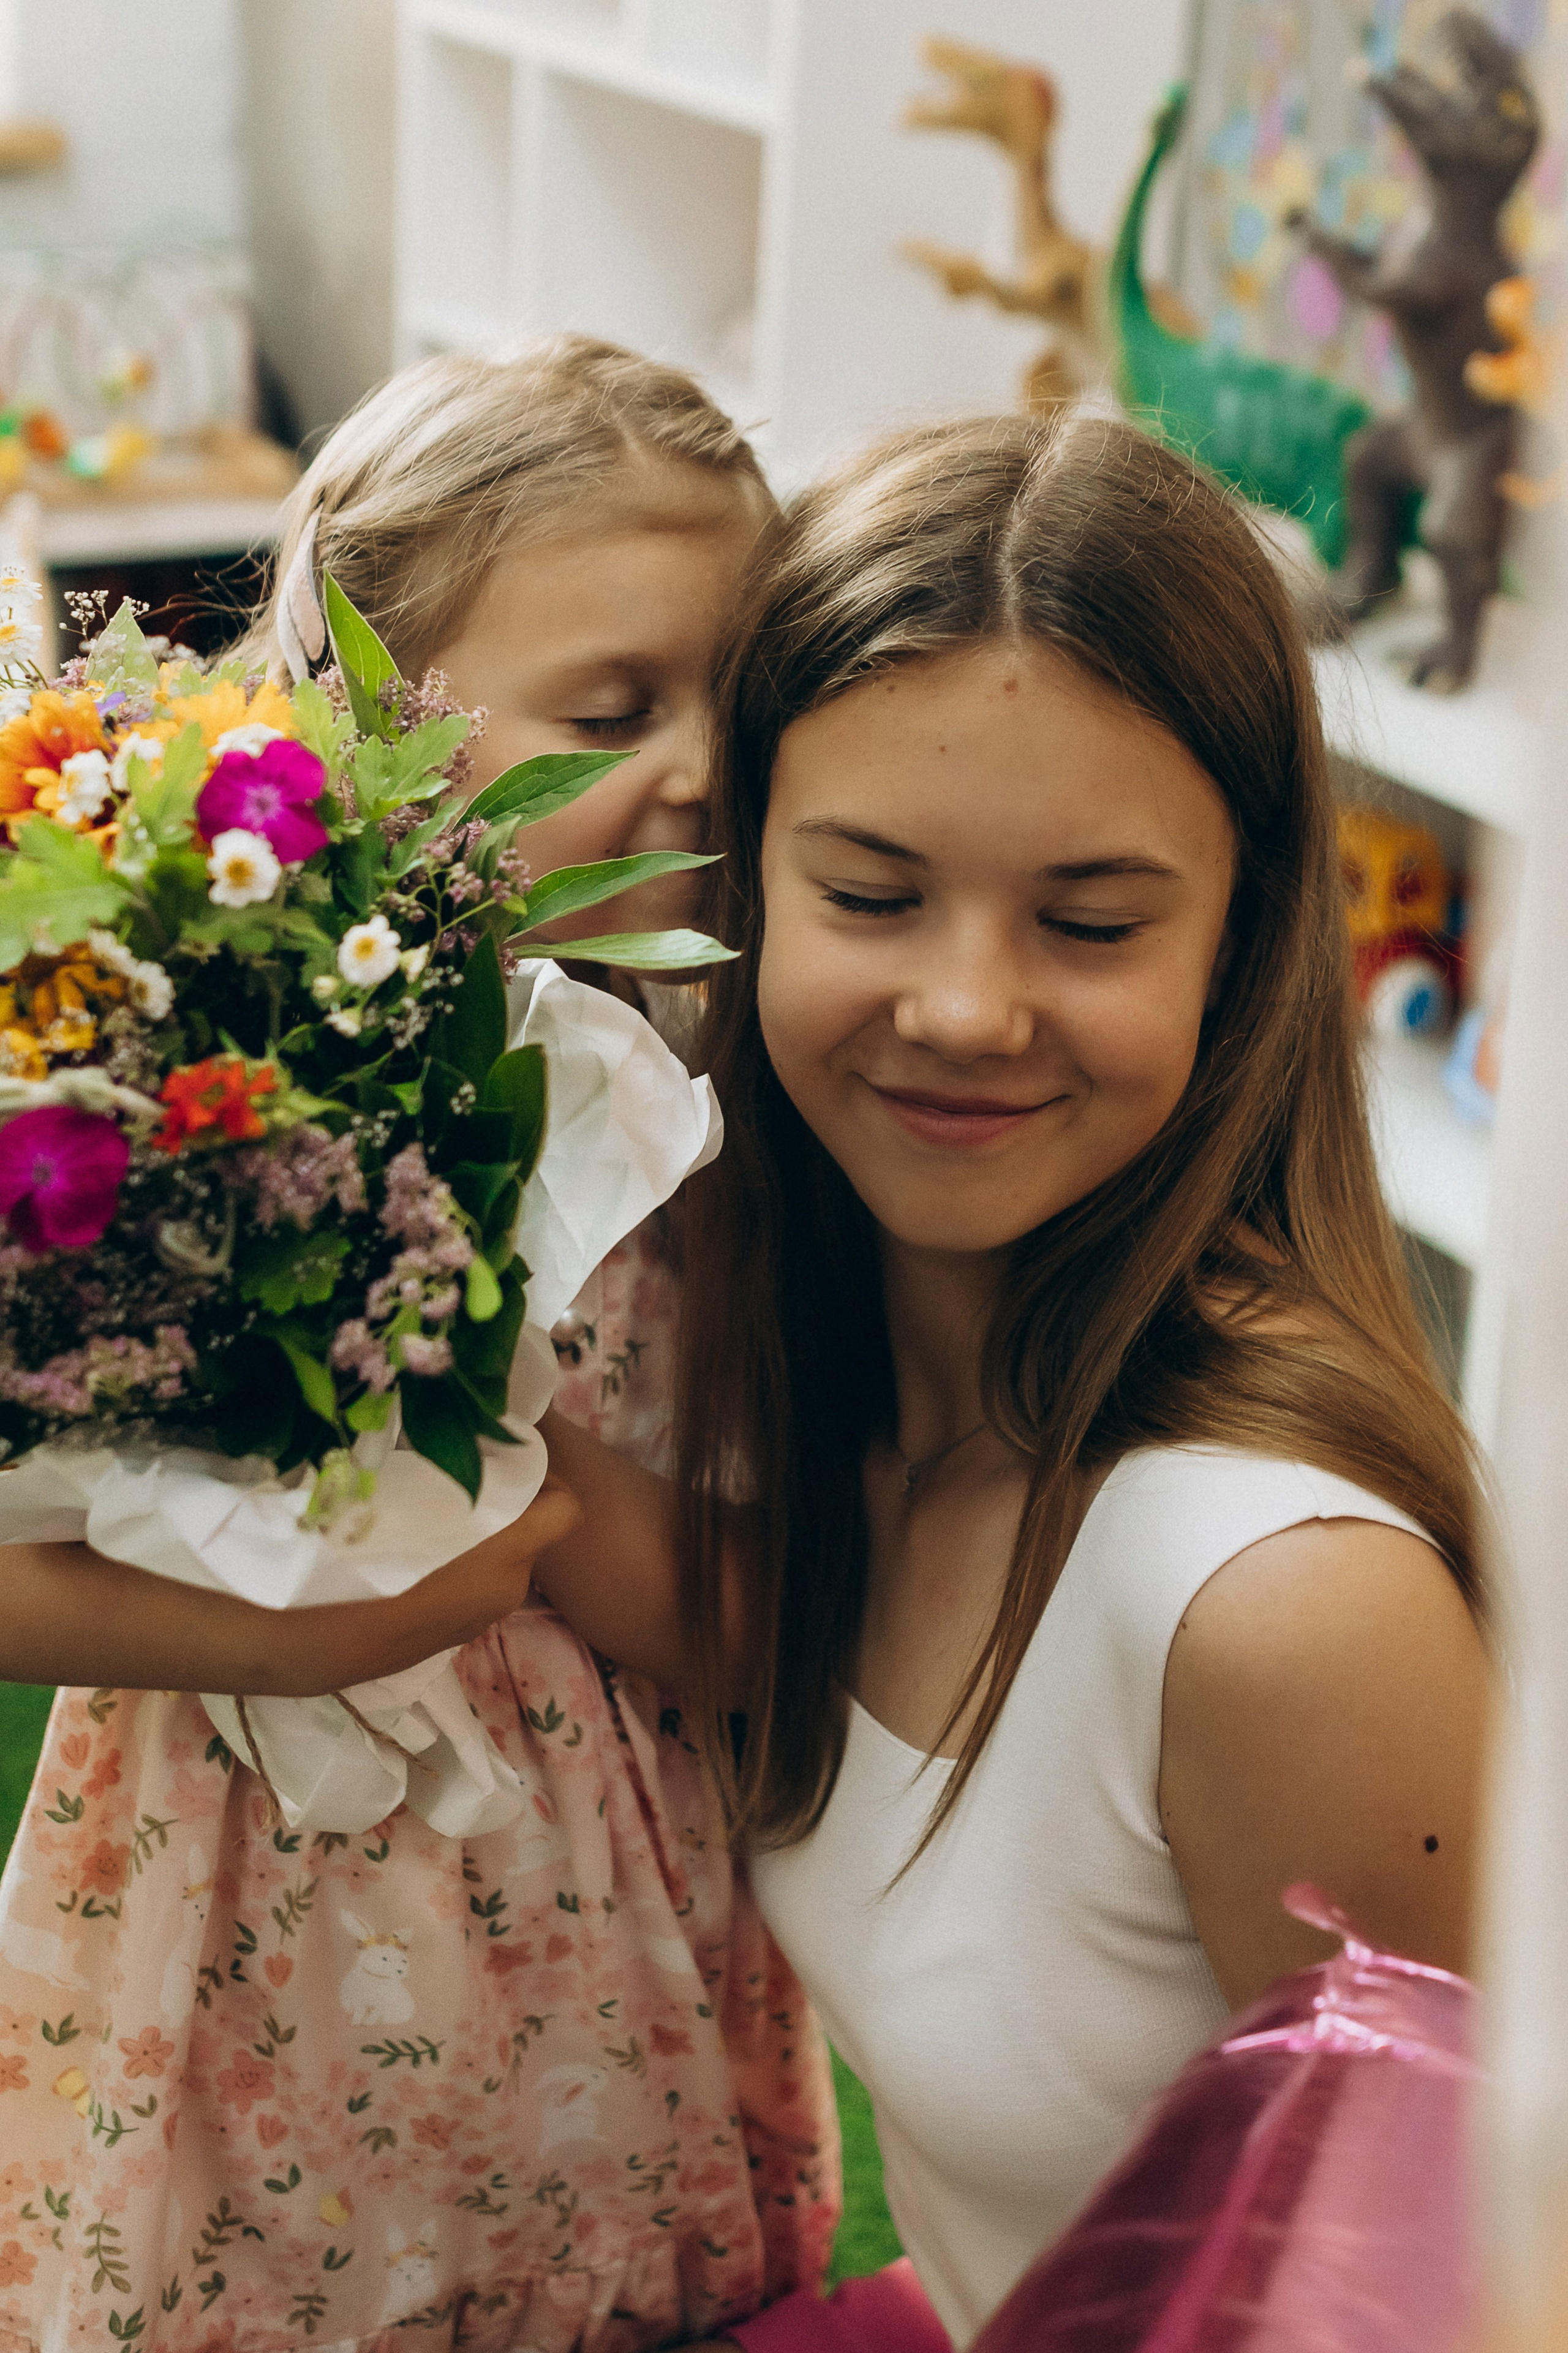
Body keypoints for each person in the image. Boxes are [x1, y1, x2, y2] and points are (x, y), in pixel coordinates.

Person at [533, 412, 1493, 2351]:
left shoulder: (1278, 1605)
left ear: (1239, 943)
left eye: (1090, 921)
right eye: (874, 895)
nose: (965, 1008)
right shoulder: (796, 1368)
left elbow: (1470, 2298)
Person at [0, 338, 837, 2353]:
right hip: (238, 1930)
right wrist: (280, 1625)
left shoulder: (741, 1146)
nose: (708, 766)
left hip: (603, 1936)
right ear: (357, 729)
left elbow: (774, 1631)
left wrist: (511, 1490)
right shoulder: (194, 1086)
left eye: (750, 699)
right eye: (612, 707)